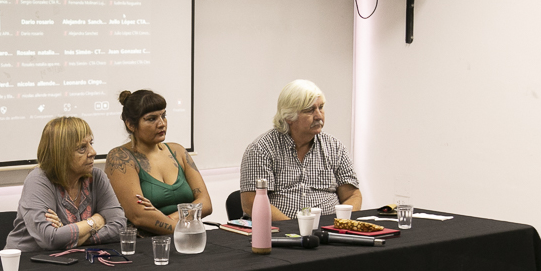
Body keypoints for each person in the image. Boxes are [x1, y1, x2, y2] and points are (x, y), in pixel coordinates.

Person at [239, 79, 361, 220]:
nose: (319, 116)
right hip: (280, 230)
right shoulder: (261, 149)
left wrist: (341, 224)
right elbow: (251, 203)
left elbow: (353, 195)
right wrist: (298, 228)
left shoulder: (335, 147)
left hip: (329, 230)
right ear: (289, 117)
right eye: (309, 110)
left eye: (321, 107)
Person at [5, 117, 126, 251]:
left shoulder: (96, 177)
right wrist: (95, 222)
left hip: (72, 258)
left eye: (91, 143)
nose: (93, 152)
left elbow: (120, 227)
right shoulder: (38, 180)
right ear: (60, 154)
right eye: (82, 148)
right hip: (24, 259)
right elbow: (50, 240)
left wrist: (67, 237)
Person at [105, 90, 212, 235]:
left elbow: (206, 204)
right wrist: (184, 230)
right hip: (148, 242)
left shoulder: (178, 151)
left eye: (163, 116)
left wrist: (168, 219)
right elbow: (139, 216)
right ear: (131, 125)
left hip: (186, 236)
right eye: (151, 119)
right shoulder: (120, 157)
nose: (162, 124)